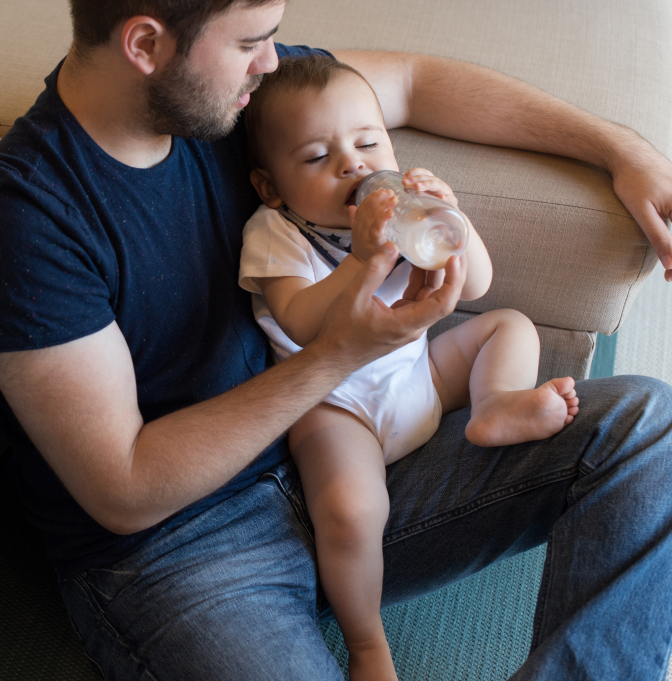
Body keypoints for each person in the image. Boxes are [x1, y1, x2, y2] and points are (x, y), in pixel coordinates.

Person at [0, 0, 672, 677]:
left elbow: (416, 80)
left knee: (651, 430)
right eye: (252, 43)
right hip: (186, 546)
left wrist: (622, 150)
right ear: (147, 44)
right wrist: (344, 347)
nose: (271, 63)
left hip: (357, 456)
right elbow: (124, 485)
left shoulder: (242, 102)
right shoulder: (24, 218)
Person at [238, 54, 580, 680]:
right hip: (336, 405)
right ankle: (368, 644)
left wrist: (454, 222)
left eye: (368, 143)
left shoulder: (405, 212)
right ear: (271, 186)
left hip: (418, 372)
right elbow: (301, 321)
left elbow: (477, 282)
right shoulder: (275, 233)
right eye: (318, 158)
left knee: (510, 325)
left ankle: (496, 404)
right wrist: (362, 260)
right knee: (350, 510)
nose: (354, 165)